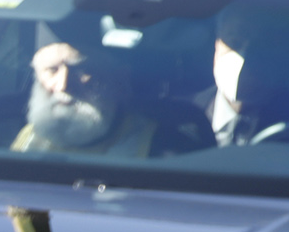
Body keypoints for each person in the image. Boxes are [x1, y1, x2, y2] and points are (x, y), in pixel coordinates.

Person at [10, 43, 204, 158]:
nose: (63, 85)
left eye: (80, 70)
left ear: (113, 80)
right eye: (52, 70)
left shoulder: (163, 145)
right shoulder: (26, 136)